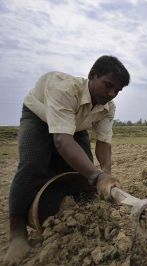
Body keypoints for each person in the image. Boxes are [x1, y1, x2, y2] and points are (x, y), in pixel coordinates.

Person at [4, 55, 130, 264]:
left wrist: (105, 173)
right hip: (39, 116)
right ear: (92, 76)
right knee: (33, 164)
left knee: (85, 169)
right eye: (108, 85)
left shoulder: (108, 107)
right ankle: (17, 233)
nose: (111, 94)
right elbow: (62, 141)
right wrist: (97, 176)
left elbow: (103, 142)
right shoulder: (65, 89)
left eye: (117, 90)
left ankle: (83, 216)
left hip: (75, 125)